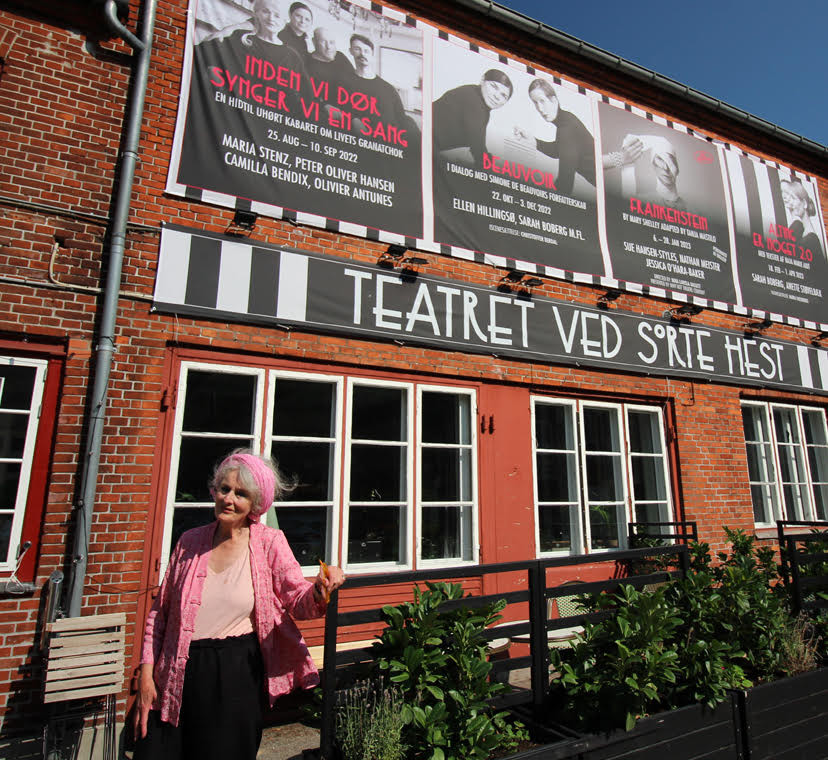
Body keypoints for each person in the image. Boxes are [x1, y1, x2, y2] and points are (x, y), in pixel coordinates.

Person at [132, 449, 345, 760]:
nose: (229, 499)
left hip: (234, 674)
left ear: (255, 504)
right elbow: (158, 616)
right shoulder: (188, 541)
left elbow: (297, 600)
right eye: (224, 489)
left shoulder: (269, 542)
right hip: (175, 671)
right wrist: (147, 676)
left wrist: (319, 591)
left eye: (241, 494)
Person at [513, 78, 596, 196]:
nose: (540, 109)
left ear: (554, 100)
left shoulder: (566, 128)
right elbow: (559, 150)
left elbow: (565, 181)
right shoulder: (566, 120)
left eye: (542, 101)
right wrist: (533, 141)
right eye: (535, 103)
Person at [433, 69, 514, 165]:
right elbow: (478, 150)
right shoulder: (473, 100)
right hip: (420, 141)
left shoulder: (480, 103)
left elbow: (477, 145)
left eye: (503, 95)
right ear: (482, 80)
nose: (497, 96)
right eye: (494, 86)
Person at [348, 33, 413, 133]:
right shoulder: (344, 81)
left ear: (372, 55)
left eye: (366, 51)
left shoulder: (388, 89)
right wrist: (353, 119)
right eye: (357, 49)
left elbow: (402, 120)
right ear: (350, 51)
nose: (362, 54)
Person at [305, 27, 356, 121]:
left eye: (332, 42)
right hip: (324, 115)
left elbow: (355, 81)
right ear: (314, 42)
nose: (329, 47)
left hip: (349, 113)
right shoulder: (306, 63)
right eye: (323, 42)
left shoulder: (340, 57)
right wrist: (323, 105)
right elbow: (305, 93)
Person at [781, 178, 824, 260]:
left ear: (804, 203)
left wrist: (797, 223)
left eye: (793, 198)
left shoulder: (811, 240)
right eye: (789, 200)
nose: (791, 204)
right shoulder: (801, 231)